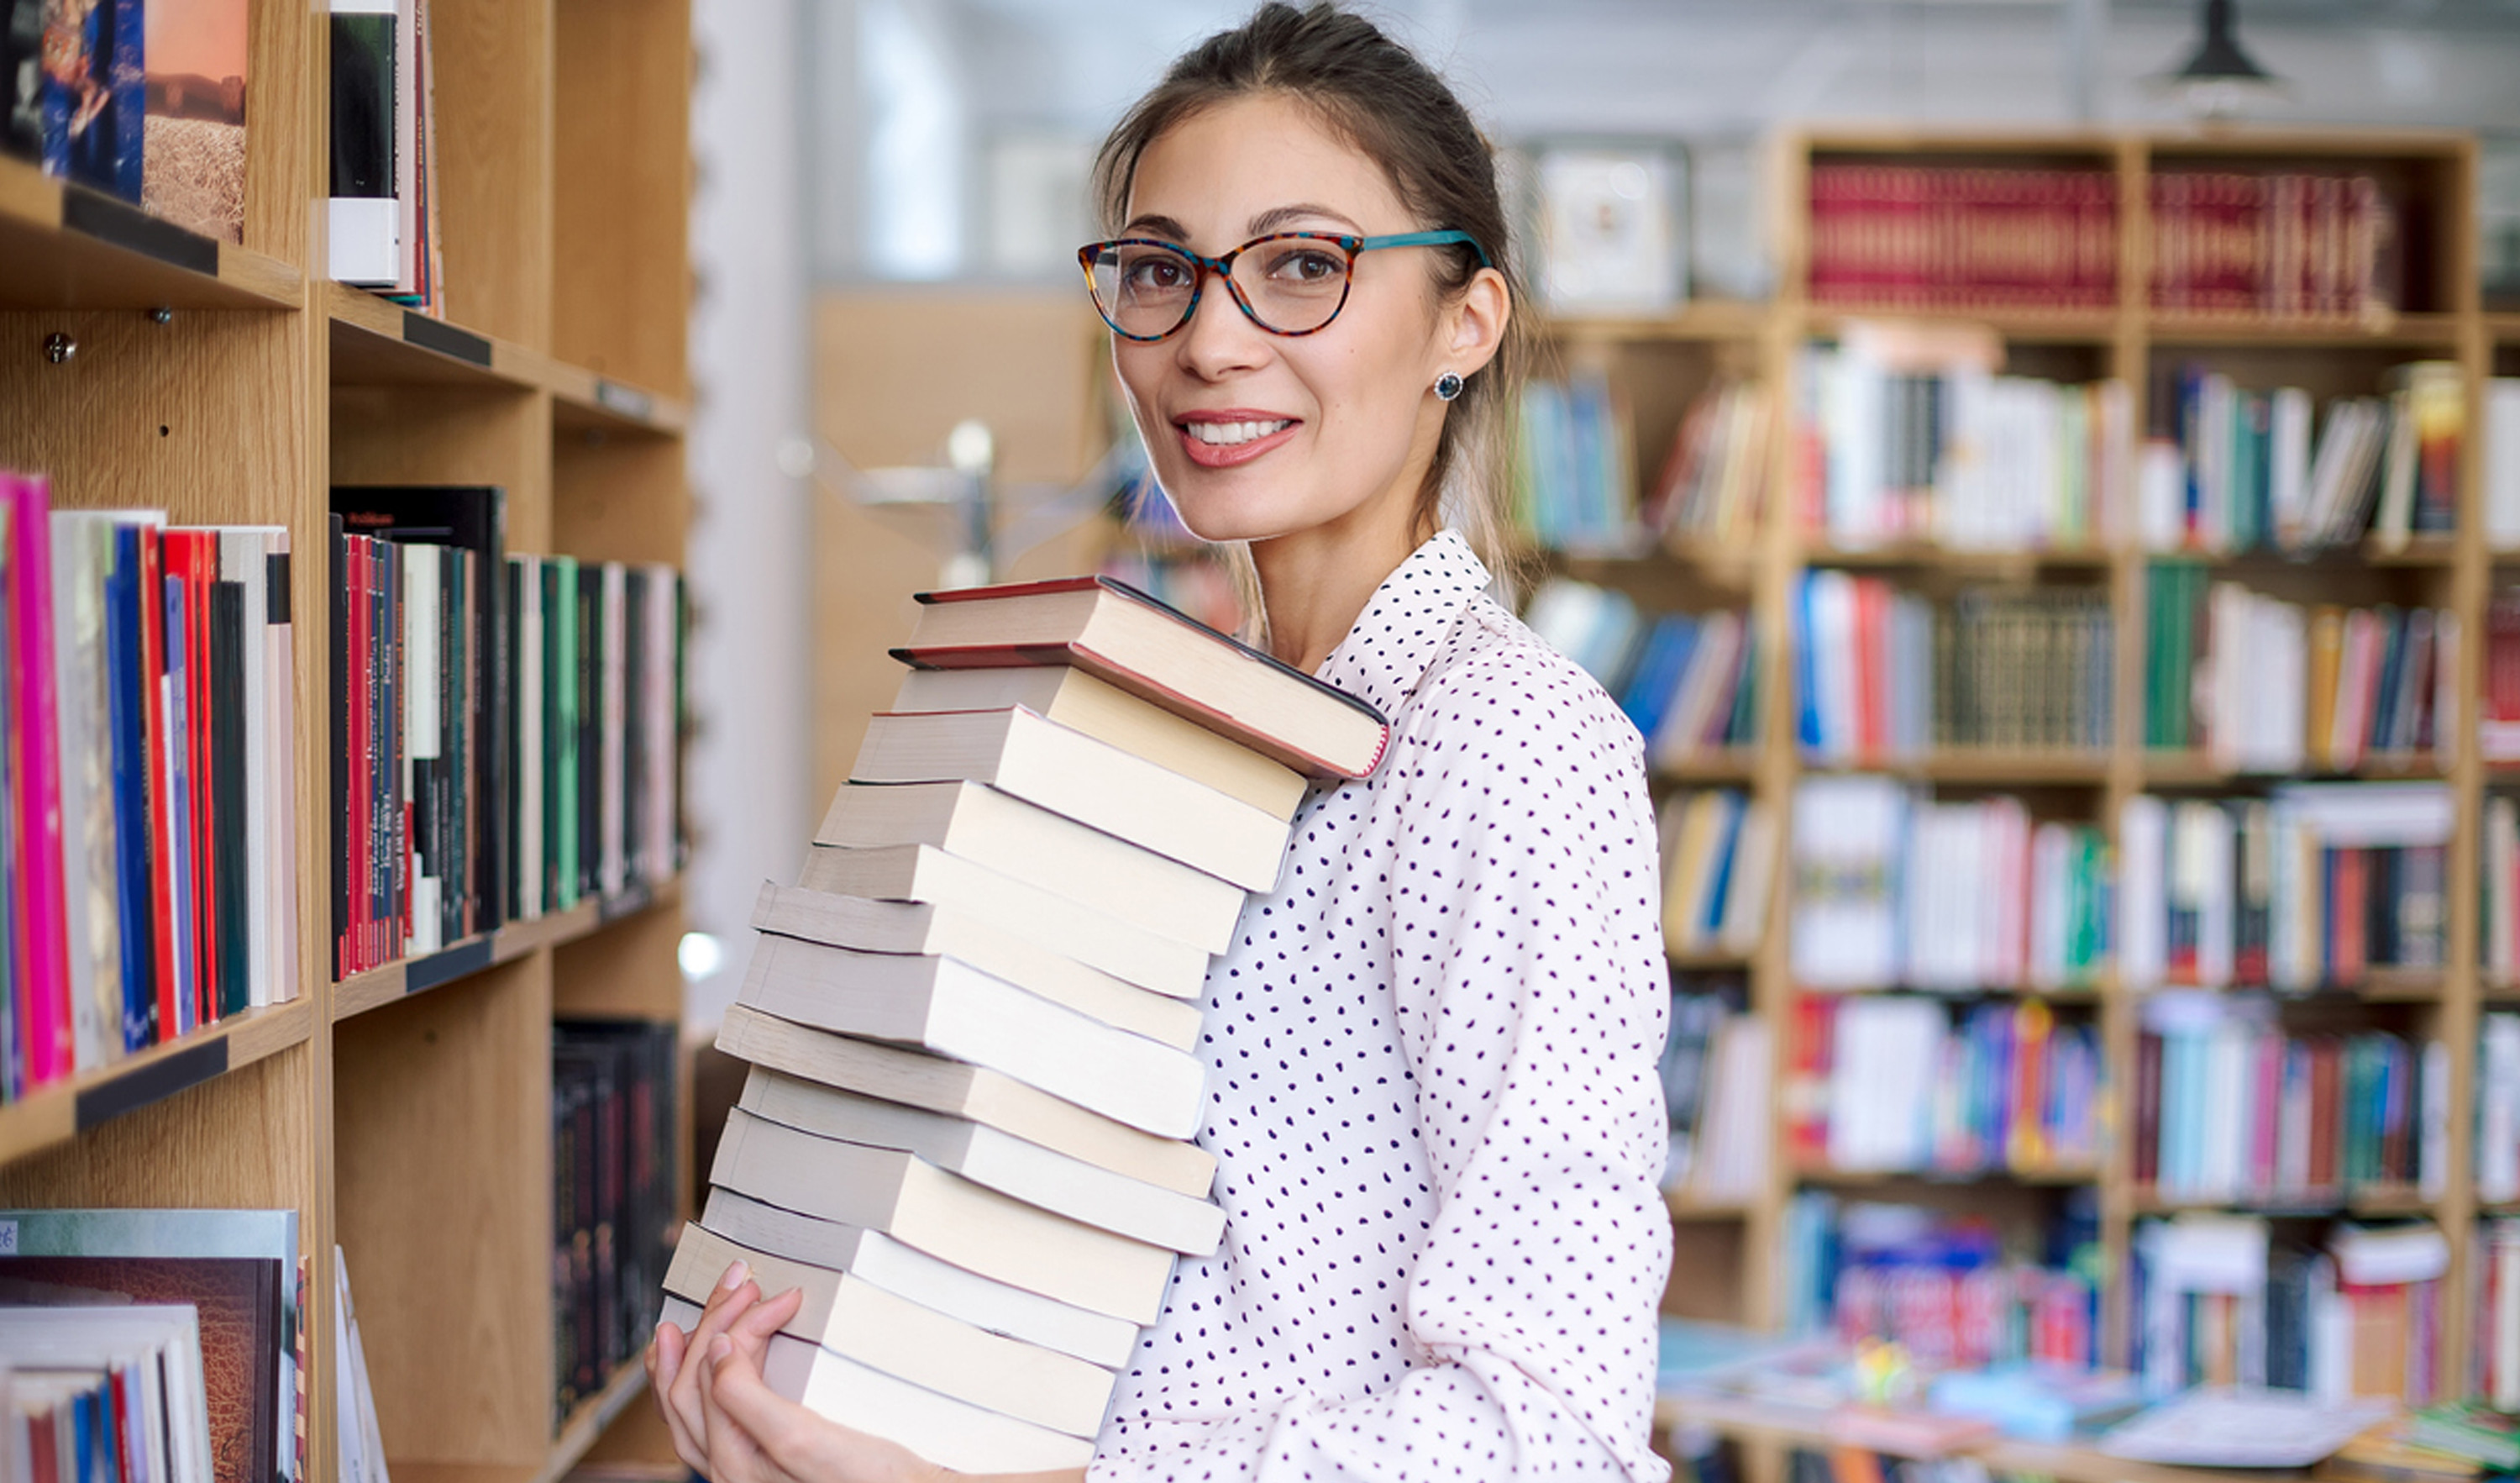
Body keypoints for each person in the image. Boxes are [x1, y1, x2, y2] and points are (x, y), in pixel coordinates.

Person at [648, 6, 1672, 1479]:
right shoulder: (1198, 738)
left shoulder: (1509, 747)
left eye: (1302, 267)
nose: (1209, 340)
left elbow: (1546, 1435)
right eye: (1161, 271)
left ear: (1467, 322)